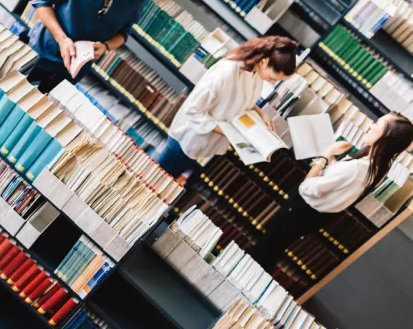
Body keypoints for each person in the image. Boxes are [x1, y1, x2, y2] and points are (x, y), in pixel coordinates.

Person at [250, 112, 413, 272]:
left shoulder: (357, 168)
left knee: (263, 253)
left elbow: (306, 188)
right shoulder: (378, 168)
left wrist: (325, 155)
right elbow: (337, 183)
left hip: (300, 212)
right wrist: (332, 159)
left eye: (377, 124)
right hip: (310, 218)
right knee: (269, 252)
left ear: (385, 138)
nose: (371, 125)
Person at [157, 36, 298, 179]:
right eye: (273, 78)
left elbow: (238, 98)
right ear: (264, 62)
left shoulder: (256, 73)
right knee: (155, 183)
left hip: (202, 144)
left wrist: (261, 114)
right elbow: (193, 110)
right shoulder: (226, 72)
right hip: (187, 140)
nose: (272, 83)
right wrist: (230, 132)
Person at [26, 0, 159, 93]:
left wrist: (106, 46)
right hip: (41, 53)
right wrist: (61, 39)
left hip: (73, 71)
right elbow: (42, 0)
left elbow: (124, 34)